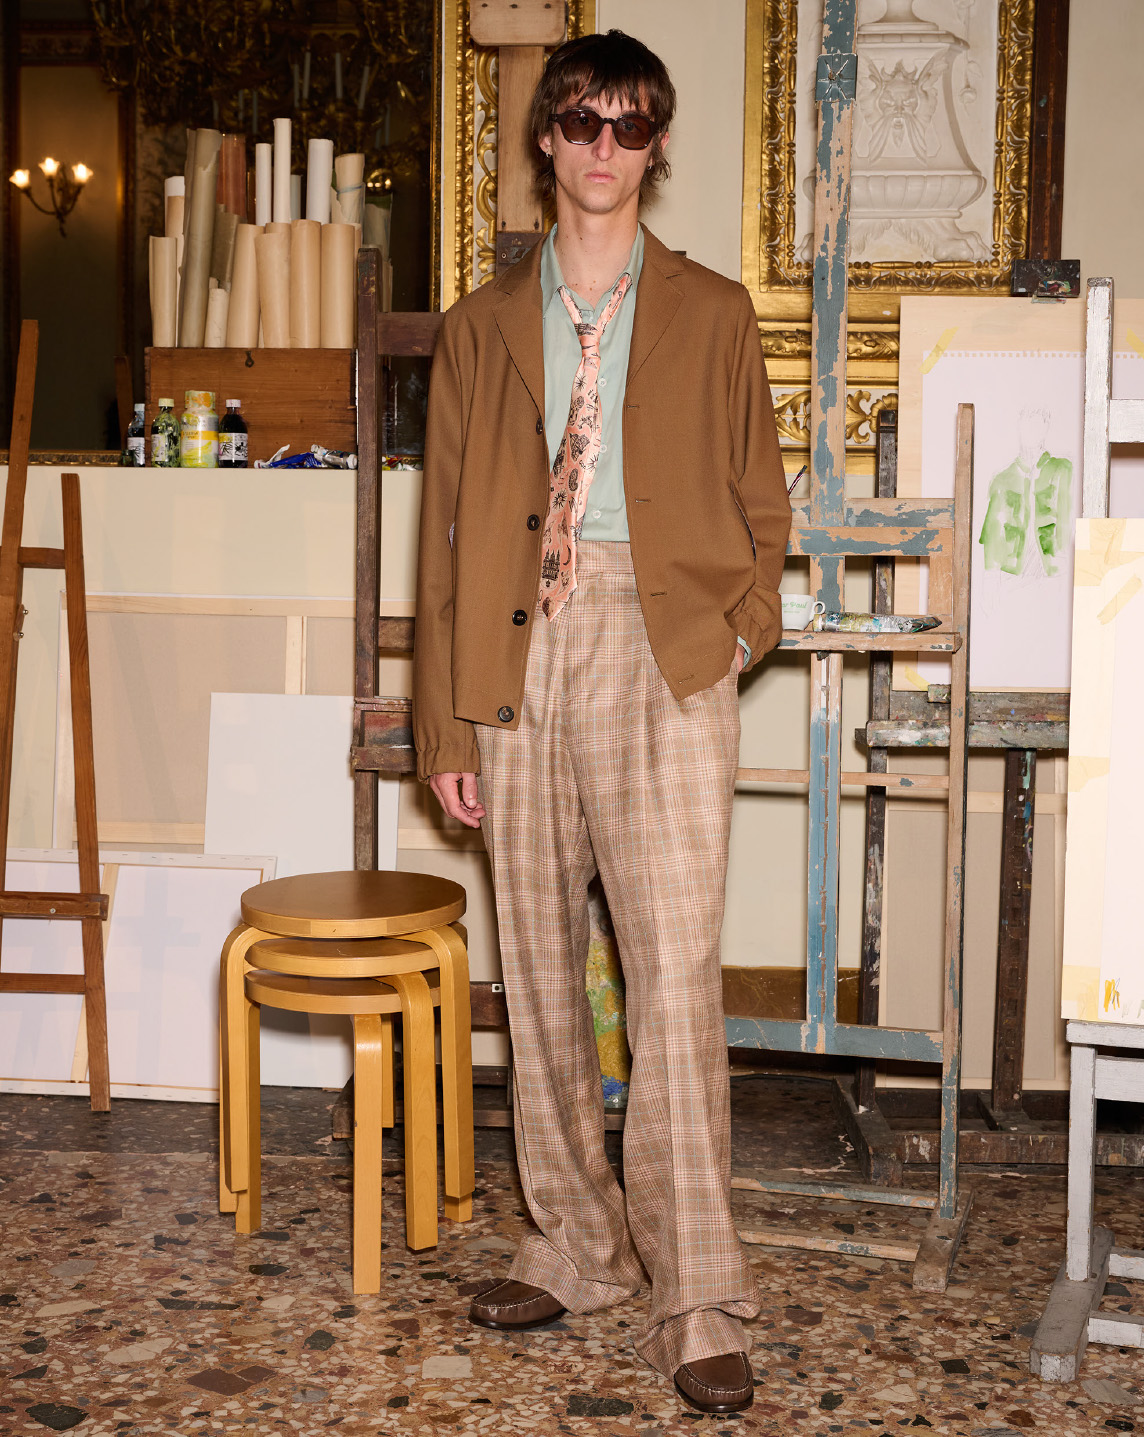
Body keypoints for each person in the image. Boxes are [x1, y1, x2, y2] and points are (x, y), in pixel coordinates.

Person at [412, 29, 788, 1416]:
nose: (603, 150)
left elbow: (766, 507)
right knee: (540, 966)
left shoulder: (715, 312)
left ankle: (698, 1293)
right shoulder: (480, 328)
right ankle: (577, 1244)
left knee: (673, 976)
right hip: (516, 645)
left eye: (629, 127)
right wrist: (446, 724)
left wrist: (741, 631)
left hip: (664, 643)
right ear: (547, 139)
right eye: (581, 122)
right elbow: (445, 538)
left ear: (657, 145)